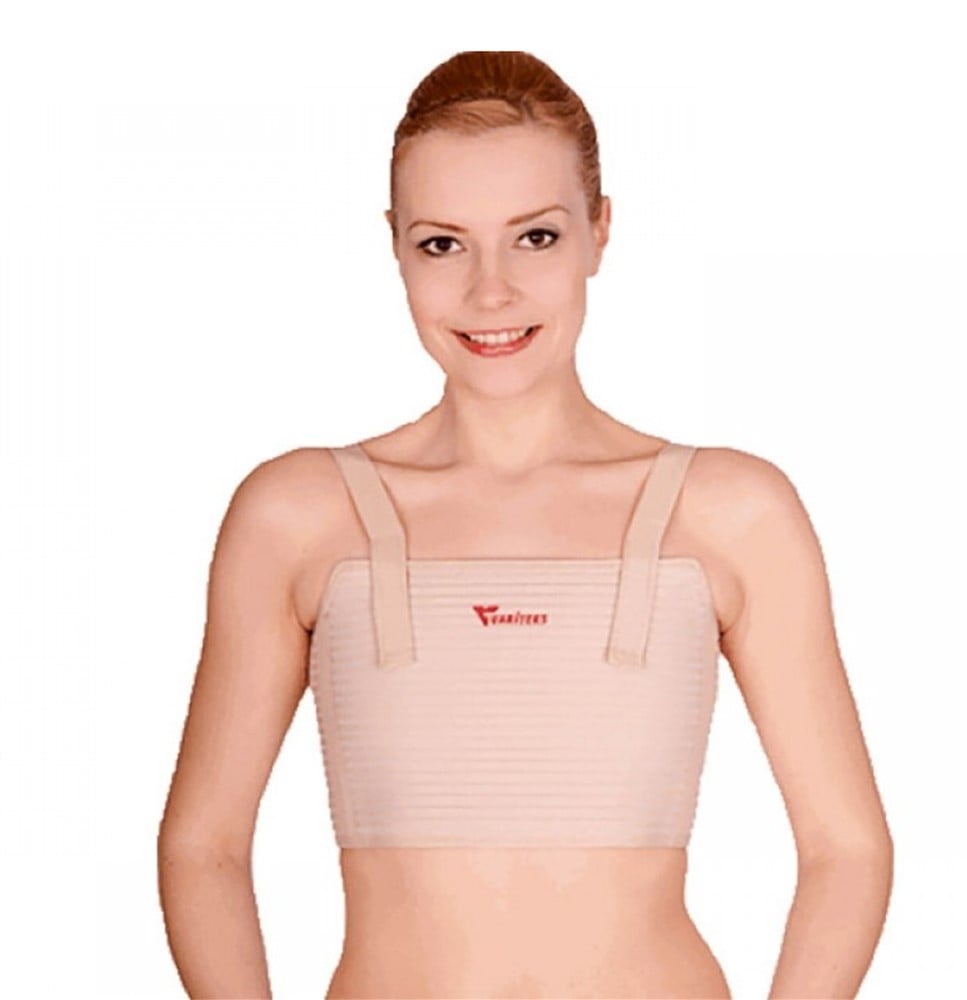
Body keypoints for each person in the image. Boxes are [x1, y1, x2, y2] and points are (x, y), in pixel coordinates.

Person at [157, 50, 893, 1000]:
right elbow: (203, 845)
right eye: (443, 244)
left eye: (535, 237)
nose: (490, 292)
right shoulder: (298, 516)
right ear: (395, 246)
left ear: (600, 229)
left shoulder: (731, 512)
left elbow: (847, 849)